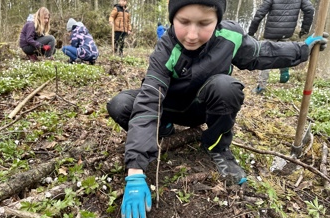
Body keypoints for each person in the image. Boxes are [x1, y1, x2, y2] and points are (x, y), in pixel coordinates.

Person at [106, 0, 328, 217]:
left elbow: (264, 52)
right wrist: (135, 171)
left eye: (204, 24)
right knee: (120, 104)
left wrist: (302, 49)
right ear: (172, 18)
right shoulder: (166, 46)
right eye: (184, 21)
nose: (192, 35)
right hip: (169, 107)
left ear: (218, 20)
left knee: (227, 87)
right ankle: (163, 129)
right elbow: (150, 98)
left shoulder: (229, 37)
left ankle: (217, 147)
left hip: (200, 108)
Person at [248, 0, 314, 94]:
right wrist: (305, 28)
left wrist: (251, 31)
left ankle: (261, 87)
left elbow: (260, 13)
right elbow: (310, 10)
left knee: (266, 57)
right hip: (286, 32)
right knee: (286, 51)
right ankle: (284, 71)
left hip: (271, 32)